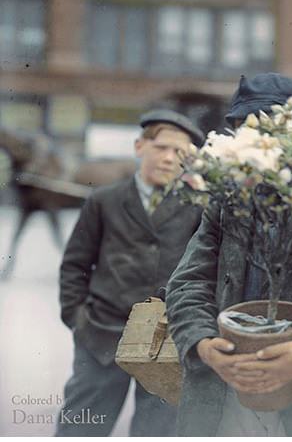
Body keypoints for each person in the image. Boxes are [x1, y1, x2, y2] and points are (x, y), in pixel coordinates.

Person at [165, 73, 292, 436]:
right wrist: (202, 345)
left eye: (268, 129)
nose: (256, 144)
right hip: (225, 391)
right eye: (244, 132)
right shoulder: (228, 201)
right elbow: (188, 282)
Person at [57, 108, 205, 436]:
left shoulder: (197, 207)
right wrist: (78, 319)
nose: (168, 158)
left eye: (179, 152)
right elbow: (75, 265)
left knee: (157, 430)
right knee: (81, 426)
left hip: (165, 342)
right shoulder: (104, 200)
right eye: (160, 147)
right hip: (102, 335)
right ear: (140, 147)